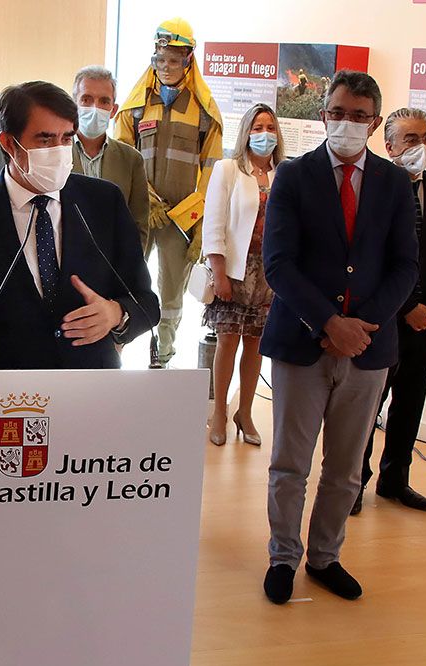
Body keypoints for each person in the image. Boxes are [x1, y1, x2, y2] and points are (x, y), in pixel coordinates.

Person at [259, 71, 418, 605]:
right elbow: (278, 265)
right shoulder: (293, 176)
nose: (345, 123)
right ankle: (283, 555)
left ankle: (325, 557)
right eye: (337, 112)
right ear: (323, 114)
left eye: (358, 115)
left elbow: (404, 266)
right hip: (302, 342)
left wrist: (360, 328)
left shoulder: (395, 185)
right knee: (290, 463)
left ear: (374, 122)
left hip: (368, 350)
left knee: (347, 468)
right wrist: (329, 324)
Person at [0, 81, 160, 370]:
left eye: (66, 138)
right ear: (9, 143)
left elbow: (147, 303)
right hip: (4, 390)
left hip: (90, 383)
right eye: (45, 140)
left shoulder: (104, 202)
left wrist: (115, 313)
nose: (59, 150)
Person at [353, 107, 426, 516]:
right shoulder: (376, 187)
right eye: (412, 139)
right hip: (386, 319)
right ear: (390, 145)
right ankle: (354, 481)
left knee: (411, 402)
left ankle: (395, 479)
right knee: (368, 404)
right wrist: (409, 306)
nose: (422, 146)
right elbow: (378, 258)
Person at [112, 17, 222, 366]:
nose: (166, 66)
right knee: (127, 278)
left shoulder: (204, 111)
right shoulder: (136, 105)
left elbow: (212, 170)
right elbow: (122, 157)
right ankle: (117, 345)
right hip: (140, 212)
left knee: (172, 290)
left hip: (181, 218)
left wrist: (197, 222)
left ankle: (163, 354)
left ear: (189, 59)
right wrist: (144, 197)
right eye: (161, 58)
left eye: (174, 59)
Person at [201, 103, 284, 447]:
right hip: (235, 270)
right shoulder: (229, 169)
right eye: (257, 126)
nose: (264, 133)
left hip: (269, 273)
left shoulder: (285, 174)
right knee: (228, 342)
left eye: (269, 127)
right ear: (247, 131)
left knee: (256, 345)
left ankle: (244, 411)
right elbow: (214, 223)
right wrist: (219, 272)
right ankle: (219, 411)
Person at [70, 66, 149, 249]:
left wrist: (129, 270)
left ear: (113, 110)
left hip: (112, 267)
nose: (95, 108)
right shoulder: (57, 153)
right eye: (86, 99)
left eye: (104, 101)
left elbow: (139, 225)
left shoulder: (131, 160)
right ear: (74, 104)